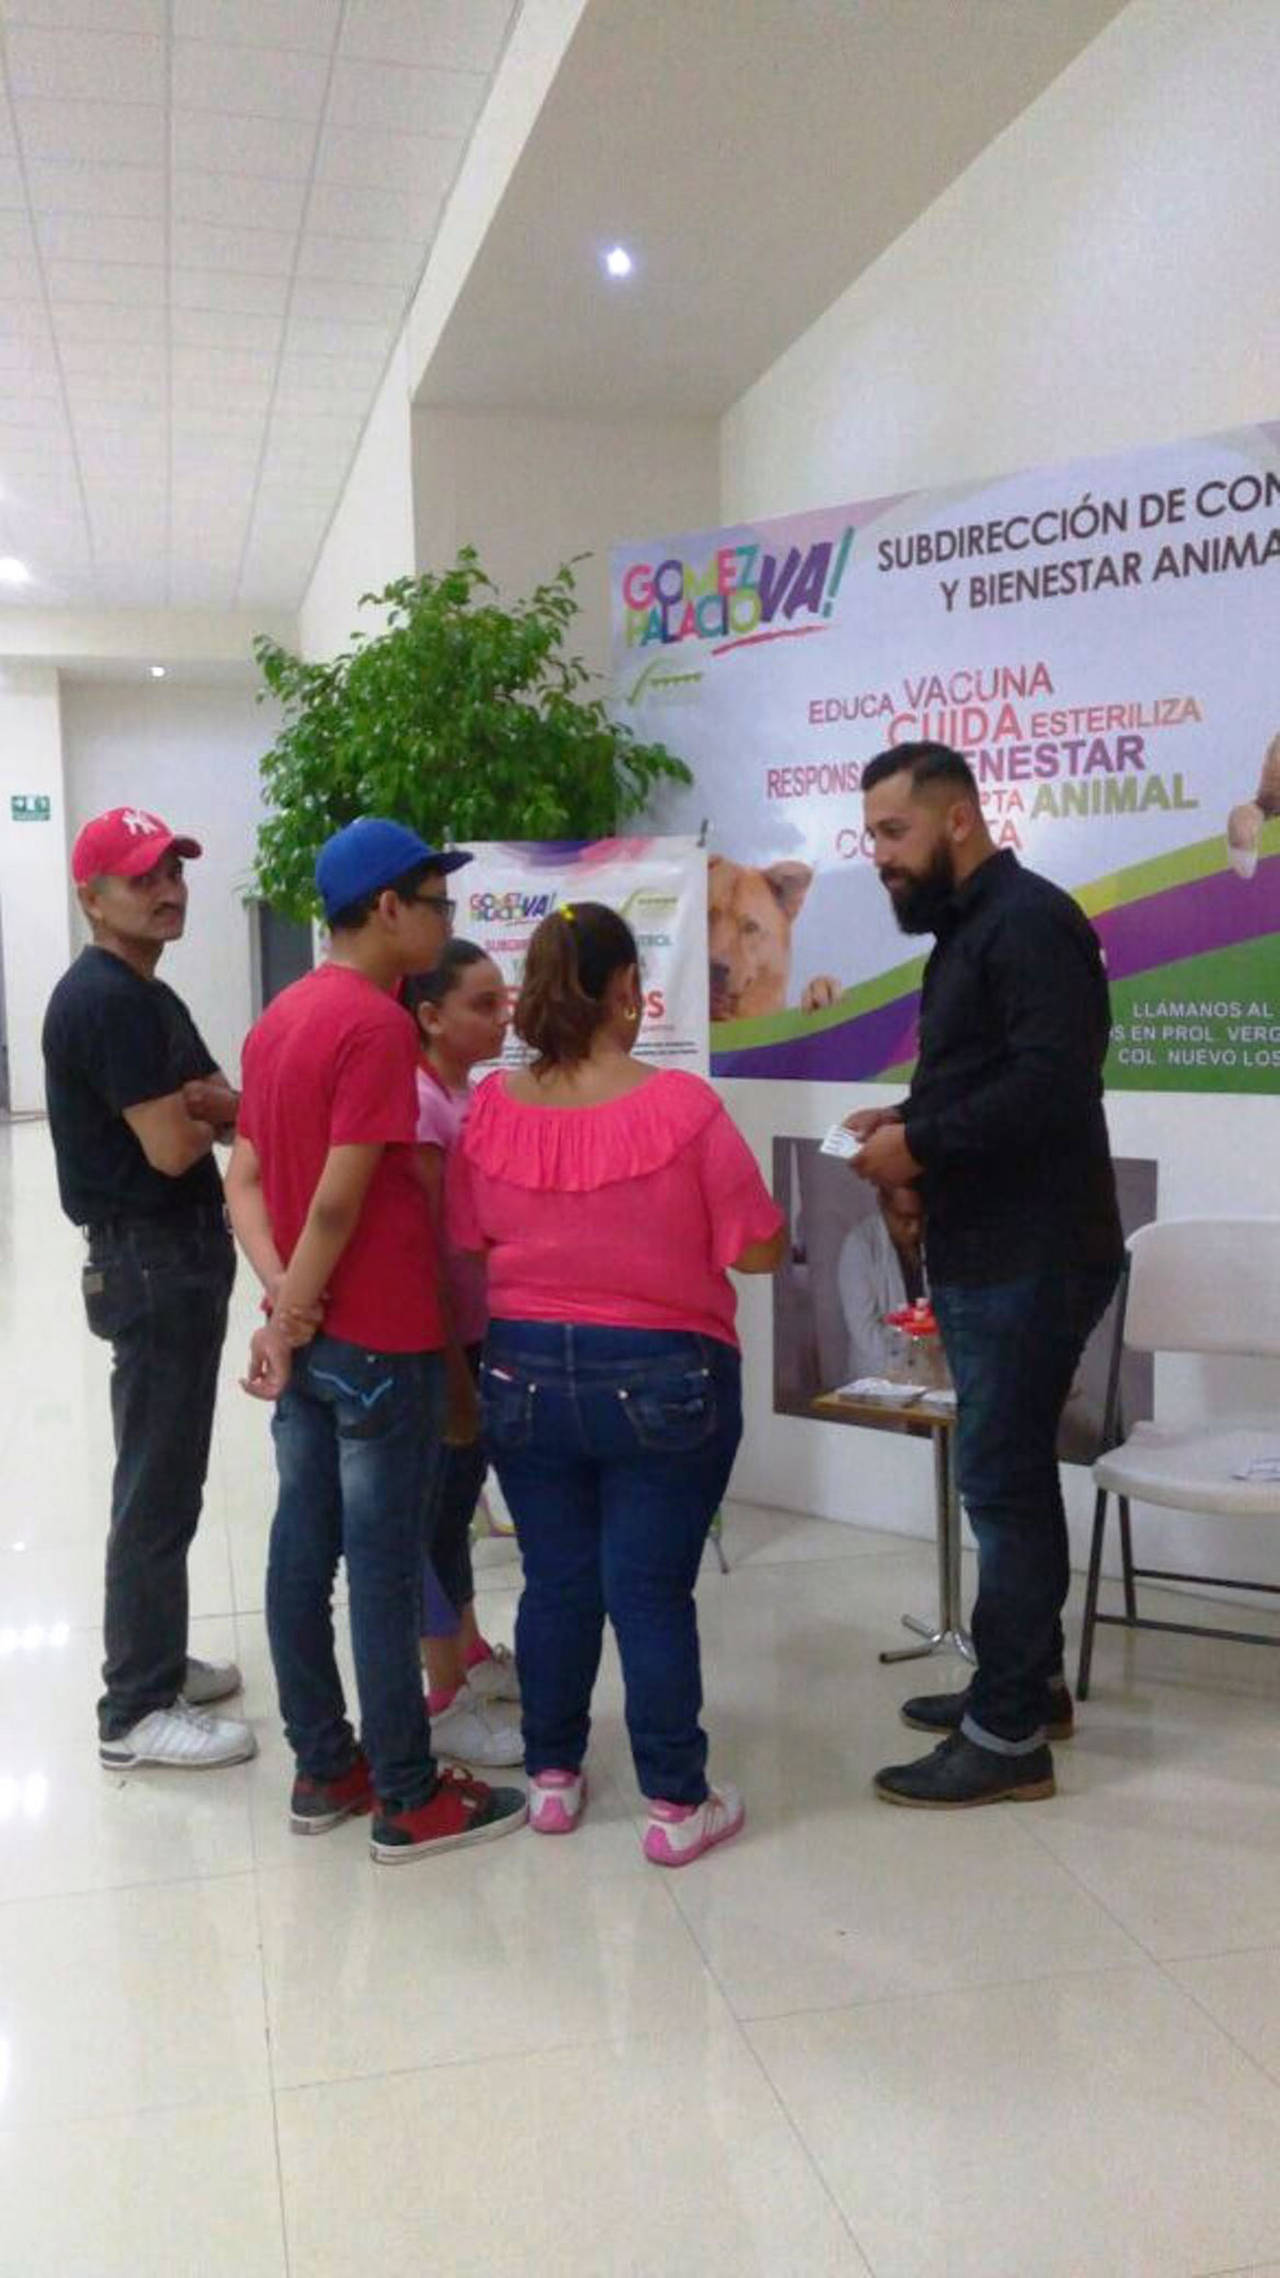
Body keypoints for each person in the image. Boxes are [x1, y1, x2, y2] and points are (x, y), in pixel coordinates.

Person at [447, 902, 785, 1863]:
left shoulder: (492, 1109)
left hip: (521, 1371)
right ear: (628, 990)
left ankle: (552, 1780)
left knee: (555, 1581)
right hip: (664, 1376)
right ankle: (676, 1803)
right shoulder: (681, 1109)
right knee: (649, 1591)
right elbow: (758, 1249)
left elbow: (469, 1237)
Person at [225, 819, 526, 1863]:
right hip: (380, 1341)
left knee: (301, 1555)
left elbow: (244, 1181)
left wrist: (281, 1301)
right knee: (386, 1571)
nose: (446, 920)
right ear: (388, 908)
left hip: (315, 1340)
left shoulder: (279, 1018)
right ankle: (407, 1791)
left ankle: (325, 1766)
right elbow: (341, 1199)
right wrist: (293, 1309)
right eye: (437, 903)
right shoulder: (375, 1025)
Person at [850, 743, 1123, 1808]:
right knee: (1010, 1479)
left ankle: (1006, 1737)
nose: (879, 855)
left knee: (1001, 1487)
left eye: (893, 831)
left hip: (1031, 1252)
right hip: (995, 1249)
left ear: (956, 818)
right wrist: (903, 1117)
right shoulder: (968, 930)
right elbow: (981, 1077)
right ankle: (1029, 1685)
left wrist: (917, 1144)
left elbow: (1051, 1085)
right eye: (872, 836)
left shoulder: (1028, 922)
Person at [42, 806, 253, 1770]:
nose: (169, 891)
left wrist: (209, 1104)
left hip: (176, 1254)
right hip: (148, 1259)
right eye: (143, 878)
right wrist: (203, 1108)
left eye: (174, 872)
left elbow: (230, 1105)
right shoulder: (106, 1001)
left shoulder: (149, 994)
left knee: (171, 1477)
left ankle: (159, 1660)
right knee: (155, 1487)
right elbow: (176, 1143)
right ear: (92, 898)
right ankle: (133, 1709)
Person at [404, 944, 522, 1771]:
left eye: (503, 1001)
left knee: (457, 1504)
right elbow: (424, 1250)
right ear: (430, 1016)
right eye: (482, 1004)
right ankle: (442, 1689)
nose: (502, 1018)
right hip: (445, 1336)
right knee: (435, 1515)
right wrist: (449, 1367)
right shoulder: (419, 1104)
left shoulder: (467, 1093)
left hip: (483, 1328)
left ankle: (471, 1649)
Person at [837, 1183, 926, 1381]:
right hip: (880, 1376)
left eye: (920, 1217)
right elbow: (865, 1333)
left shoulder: (929, 1238)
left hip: (929, 1369)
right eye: (904, 1219)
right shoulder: (860, 1245)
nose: (914, 1229)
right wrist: (907, 1368)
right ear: (883, 1204)